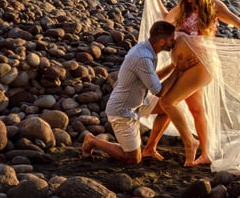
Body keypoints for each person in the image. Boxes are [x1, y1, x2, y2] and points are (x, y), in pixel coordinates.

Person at [142, 0, 240, 166]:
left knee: (168, 101)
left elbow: (238, 22)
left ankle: (190, 143)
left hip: (202, 65)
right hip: (184, 67)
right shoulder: (183, 7)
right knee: (196, 110)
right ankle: (196, 153)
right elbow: (165, 17)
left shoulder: (213, 6)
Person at [81, 20, 196, 164]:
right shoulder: (143, 57)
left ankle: (151, 148)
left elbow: (151, 79)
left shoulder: (146, 50)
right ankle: (92, 140)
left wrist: (173, 66)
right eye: (171, 39)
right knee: (133, 159)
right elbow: (158, 91)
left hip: (138, 103)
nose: (173, 42)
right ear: (161, 41)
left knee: (168, 106)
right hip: (122, 111)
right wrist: (178, 70)